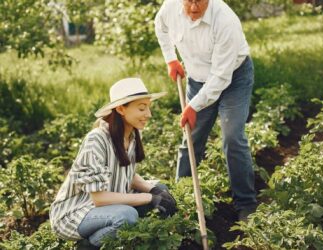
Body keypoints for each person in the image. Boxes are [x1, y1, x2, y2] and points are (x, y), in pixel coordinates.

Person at [155, 0, 257, 220]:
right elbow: (160, 26)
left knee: (232, 137)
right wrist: (171, 59)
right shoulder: (170, 7)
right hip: (197, 79)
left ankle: (246, 203)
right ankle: (179, 197)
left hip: (234, 80)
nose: (193, 7)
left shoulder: (225, 20)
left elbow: (221, 77)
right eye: (188, 1)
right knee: (191, 139)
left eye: (199, 0)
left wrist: (194, 106)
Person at [49, 78, 177, 249]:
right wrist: (149, 197)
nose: (149, 114)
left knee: (162, 190)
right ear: (120, 109)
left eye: (148, 107)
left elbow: (127, 174)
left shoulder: (132, 135)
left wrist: (155, 191)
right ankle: (87, 246)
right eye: (141, 108)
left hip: (108, 203)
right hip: (76, 212)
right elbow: (99, 199)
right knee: (127, 216)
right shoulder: (97, 139)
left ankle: (128, 239)